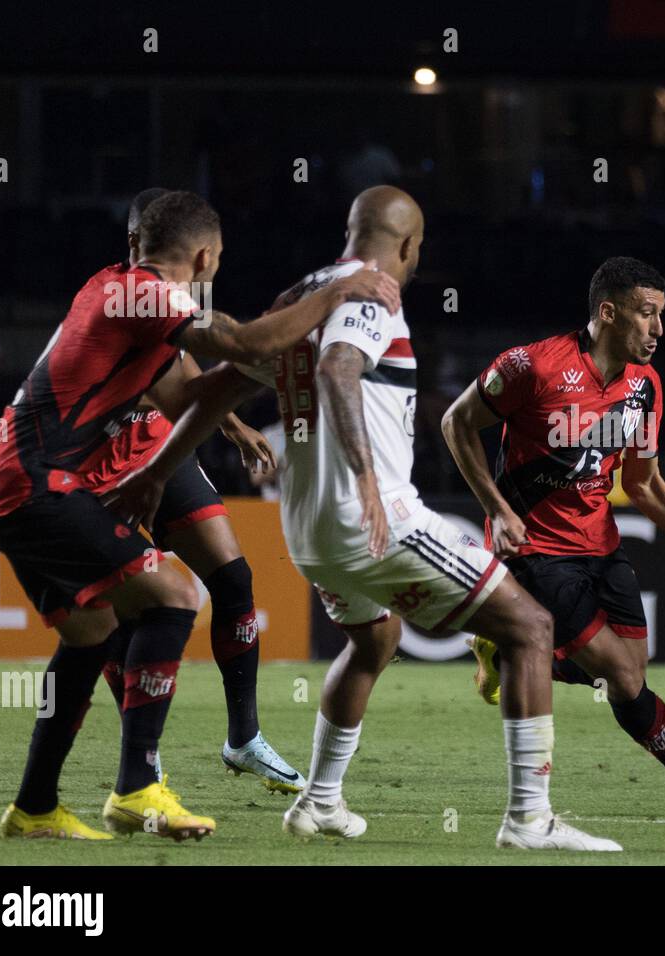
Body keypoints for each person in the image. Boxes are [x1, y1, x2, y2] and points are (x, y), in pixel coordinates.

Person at [105, 186, 621, 851]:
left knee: (375, 640)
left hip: (309, 530)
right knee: (530, 627)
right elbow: (342, 367)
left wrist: (154, 470)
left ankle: (318, 803)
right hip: (373, 517)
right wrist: (368, 478)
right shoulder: (371, 291)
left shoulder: (299, 294)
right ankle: (530, 819)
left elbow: (220, 385)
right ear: (409, 246)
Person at [0, 190, 399, 840]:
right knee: (173, 595)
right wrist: (334, 296)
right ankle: (139, 786)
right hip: (34, 484)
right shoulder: (148, 293)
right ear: (205, 255)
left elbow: (188, 392)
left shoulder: (120, 293)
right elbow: (241, 338)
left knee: (91, 631)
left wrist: (267, 368)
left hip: (6, 483)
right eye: (218, 260)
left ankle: (34, 806)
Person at [441, 256, 665, 818]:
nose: (659, 329)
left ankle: (506, 648)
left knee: (633, 669)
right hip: (534, 547)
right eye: (647, 314)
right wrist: (496, 509)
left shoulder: (645, 385)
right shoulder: (532, 367)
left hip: (600, 545)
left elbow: (642, 482)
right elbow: (455, 424)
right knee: (622, 673)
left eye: (662, 315)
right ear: (608, 313)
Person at [78, 187, 304, 791]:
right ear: (133, 242)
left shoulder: (168, 299)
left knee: (233, 579)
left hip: (156, 448)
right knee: (117, 621)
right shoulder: (118, 296)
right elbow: (195, 362)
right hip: (97, 467)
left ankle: (245, 739)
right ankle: (140, 760)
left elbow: (178, 366)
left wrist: (230, 423)